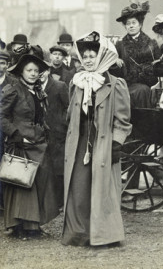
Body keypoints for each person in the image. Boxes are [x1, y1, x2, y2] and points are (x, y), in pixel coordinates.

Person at [62, 31, 132, 246]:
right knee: (79, 187)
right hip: (81, 142)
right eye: (86, 57)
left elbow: (123, 119)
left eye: (93, 55)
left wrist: (116, 143)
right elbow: (69, 113)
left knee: (103, 189)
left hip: (104, 142)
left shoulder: (115, 84)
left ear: (102, 56)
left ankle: (105, 235)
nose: (89, 60)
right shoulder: (77, 82)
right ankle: (80, 233)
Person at [0, 54, 59, 239]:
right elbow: (1, 116)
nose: (33, 74)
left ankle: (34, 225)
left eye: (36, 70)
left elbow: (40, 117)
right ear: (21, 72)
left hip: (38, 142)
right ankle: (20, 227)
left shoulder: (39, 91)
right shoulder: (13, 89)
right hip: (21, 143)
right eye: (29, 70)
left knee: (38, 182)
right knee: (22, 185)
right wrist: (16, 135)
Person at [115, 0, 161, 108]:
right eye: (128, 24)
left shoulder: (151, 44)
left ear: (140, 24)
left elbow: (158, 67)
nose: (131, 26)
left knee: (142, 91)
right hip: (127, 85)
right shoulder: (120, 45)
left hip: (148, 85)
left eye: (134, 23)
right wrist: (115, 59)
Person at [40, 69, 69, 208]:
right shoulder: (33, 86)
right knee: (45, 165)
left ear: (48, 70)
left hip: (58, 133)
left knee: (58, 167)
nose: (39, 73)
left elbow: (67, 107)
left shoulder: (59, 86)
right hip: (41, 133)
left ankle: (60, 201)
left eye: (42, 70)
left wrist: (62, 124)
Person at [0, 51, 17, 210]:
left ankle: (4, 203)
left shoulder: (12, 83)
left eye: (3, 63)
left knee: (6, 165)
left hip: (5, 131)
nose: (0, 66)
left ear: (7, 65)